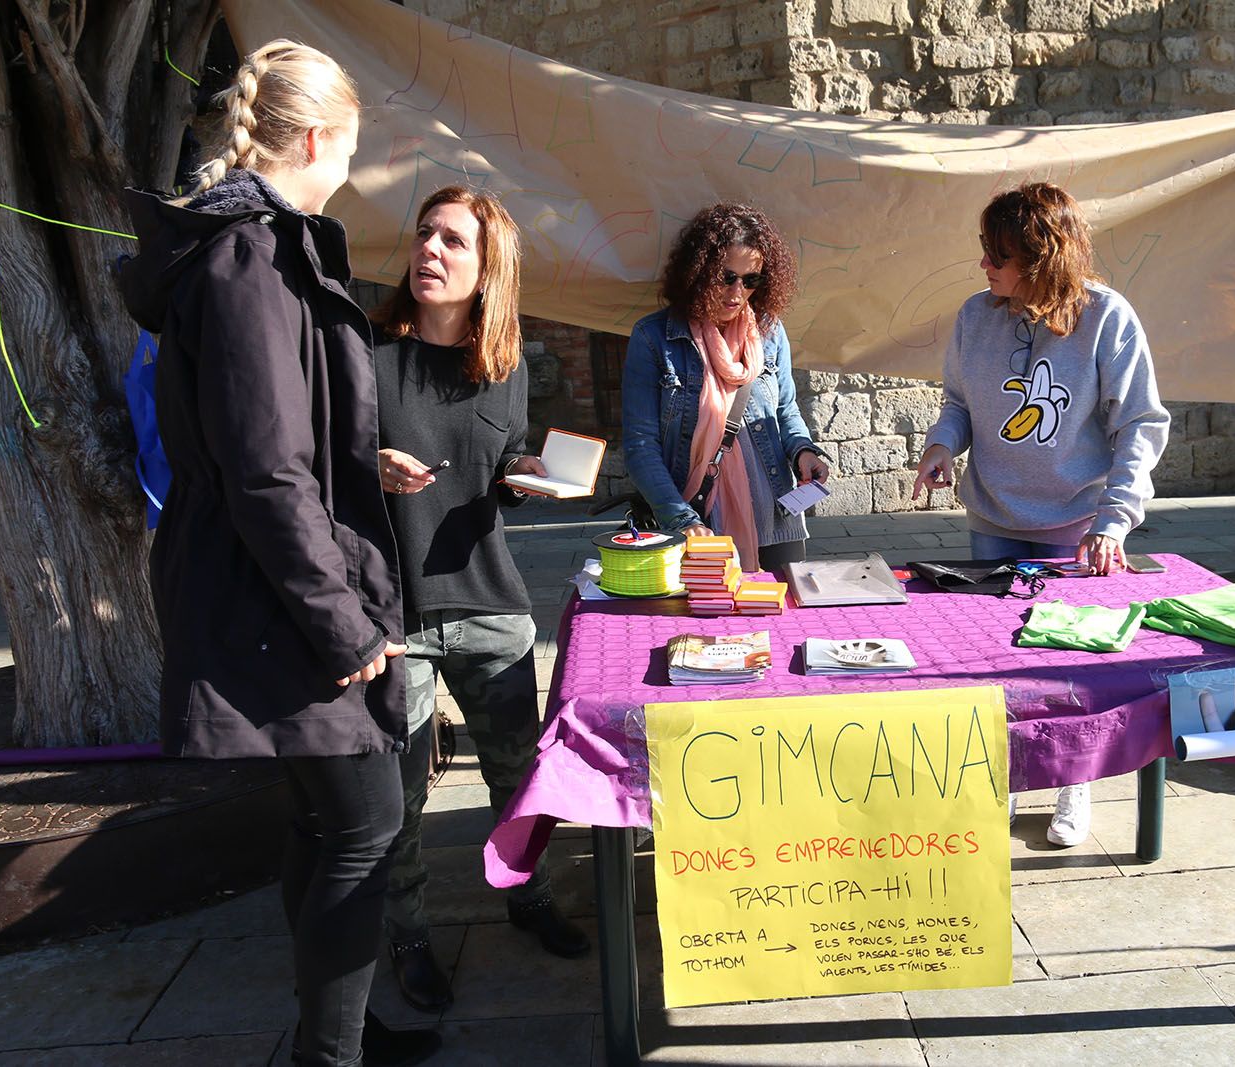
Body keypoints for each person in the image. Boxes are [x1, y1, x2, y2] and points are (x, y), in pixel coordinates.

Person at [119, 40, 438, 1067]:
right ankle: (329, 1055)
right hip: (280, 592)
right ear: (314, 137)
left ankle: (334, 1034)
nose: (353, 164)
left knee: (324, 820)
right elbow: (261, 473)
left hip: (269, 577)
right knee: (363, 821)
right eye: (351, 144)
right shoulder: (252, 256)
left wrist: (357, 456)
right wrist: (344, 619)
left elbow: (275, 434)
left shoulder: (254, 249)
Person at [368, 185, 589, 1013]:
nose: (429, 250)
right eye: (425, 234)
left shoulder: (505, 366)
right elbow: (317, 465)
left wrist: (526, 477)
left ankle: (526, 897)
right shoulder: (368, 356)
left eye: (452, 241)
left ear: (488, 267)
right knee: (402, 798)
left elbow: (505, 460)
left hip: (490, 605)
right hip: (398, 617)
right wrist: (370, 464)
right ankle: (412, 936)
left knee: (518, 777)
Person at [911, 182, 1170, 848]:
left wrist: (1114, 520)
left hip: (1077, 529)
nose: (984, 266)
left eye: (998, 254)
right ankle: (1008, 776)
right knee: (995, 664)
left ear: (1041, 257)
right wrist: (944, 444)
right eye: (984, 251)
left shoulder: (1108, 318)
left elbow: (1140, 424)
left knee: (1066, 665)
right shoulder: (976, 316)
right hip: (994, 520)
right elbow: (959, 403)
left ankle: (1073, 779)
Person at [622, 203, 829, 573]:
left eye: (751, 280)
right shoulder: (654, 338)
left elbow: (786, 410)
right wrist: (681, 520)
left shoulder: (769, 330)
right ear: (698, 272)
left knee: (784, 620)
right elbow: (641, 446)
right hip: (695, 520)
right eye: (726, 277)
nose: (737, 292)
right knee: (704, 627)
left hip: (775, 516)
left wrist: (803, 452)